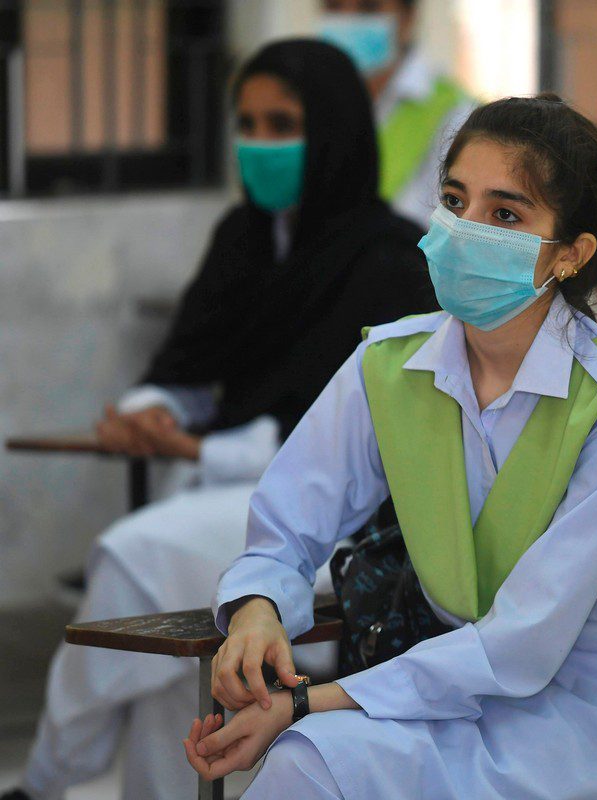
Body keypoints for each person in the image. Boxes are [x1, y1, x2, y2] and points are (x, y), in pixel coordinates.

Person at [180, 95, 597, 799]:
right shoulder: (390, 363)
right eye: (454, 200)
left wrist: (308, 701)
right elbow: (286, 526)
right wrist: (256, 609)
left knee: (317, 748)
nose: (466, 231)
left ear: (569, 255)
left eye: (505, 214)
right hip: (461, 692)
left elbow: (525, 641)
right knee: (307, 762)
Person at [4, 40, 436, 800]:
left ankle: (45, 781)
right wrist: (151, 413)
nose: (259, 145)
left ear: (334, 129)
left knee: (130, 555)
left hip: (332, 515)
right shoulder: (245, 237)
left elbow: (343, 437)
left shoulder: (392, 258)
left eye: (283, 124)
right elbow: (190, 366)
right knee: (164, 690)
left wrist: (198, 443)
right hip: (227, 494)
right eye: (248, 124)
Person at [318, 0, 476, 228]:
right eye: (333, 6)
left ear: (407, 16)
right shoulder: (309, 104)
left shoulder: (456, 114)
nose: (347, 20)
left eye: (368, 8)